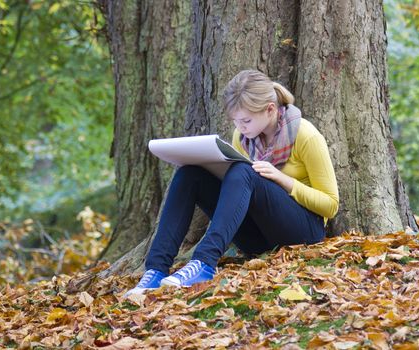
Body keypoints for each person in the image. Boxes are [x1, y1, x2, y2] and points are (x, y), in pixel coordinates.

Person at [125, 69, 339, 296]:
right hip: (258, 238)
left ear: (270, 109)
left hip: (303, 232)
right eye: (236, 121)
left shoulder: (306, 135)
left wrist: (283, 179)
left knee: (243, 171)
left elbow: (331, 205)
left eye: (246, 120)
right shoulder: (243, 137)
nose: (241, 127)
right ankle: (156, 270)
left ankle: (205, 264)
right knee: (189, 174)